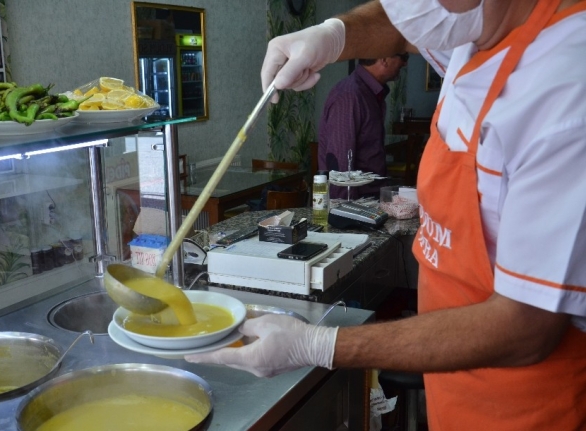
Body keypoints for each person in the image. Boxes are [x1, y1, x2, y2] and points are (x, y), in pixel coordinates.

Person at [186, 1, 586, 430]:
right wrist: (333, 34)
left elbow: (525, 328)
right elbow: (403, 27)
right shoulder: (479, 27)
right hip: (453, 383)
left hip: (525, 405)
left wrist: (321, 345)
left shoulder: (565, 86)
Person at [319, 54, 407, 199]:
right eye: (404, 57)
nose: (404, 64)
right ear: (384, 58)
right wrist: (346, 214)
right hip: (356, 206)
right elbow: (340, 170)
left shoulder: (369, 93)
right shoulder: (350, 96)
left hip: (371, 200)